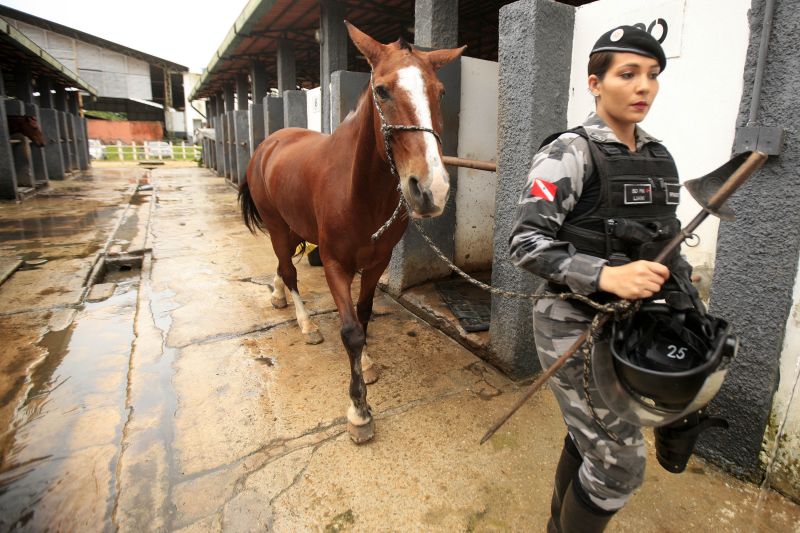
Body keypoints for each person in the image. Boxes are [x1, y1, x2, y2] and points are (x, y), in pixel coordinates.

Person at [508, 26, 686, 532]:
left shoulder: (659, 158)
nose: (643, 87)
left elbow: (667, 245)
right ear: (594, 83)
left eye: (652, 75)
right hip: (572, 325)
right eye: (627, 74)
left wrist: (683, 307)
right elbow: (525, 243)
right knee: (618, 465)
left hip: (634, 327)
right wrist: (606, 274)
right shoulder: (570, 152)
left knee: (588, 438)